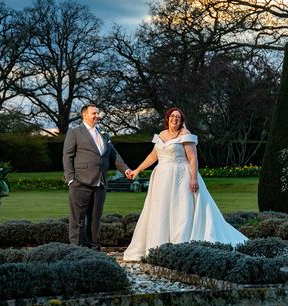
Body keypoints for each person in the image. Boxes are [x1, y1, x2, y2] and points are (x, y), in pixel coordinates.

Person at [123, 107, 247, 261]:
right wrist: (137, 170)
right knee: (160, 209)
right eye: (172, 116)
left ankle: (179, 245)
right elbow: (153, 156)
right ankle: (158, 246)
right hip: (161, 179)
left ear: (182, 121)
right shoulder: (161, 135)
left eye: (178, 117)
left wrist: (194, 178)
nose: (175, 119)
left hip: (181, 177)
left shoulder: (186, 135)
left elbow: (193, 158)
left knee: (180, 208)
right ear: (167, 118)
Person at [63, 104, 131, 249]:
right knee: (78, 220)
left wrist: (125, 170)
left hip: (100, 183)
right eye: (94, 113)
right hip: (80, 182)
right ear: (84, 115)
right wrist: (70, 179)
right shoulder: (74, 132)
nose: (97, 116)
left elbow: (114, 155)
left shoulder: (104, 134)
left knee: (95, 220)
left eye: (98, 113)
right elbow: (67, 156)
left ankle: (94, 249)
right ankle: (76, 250)